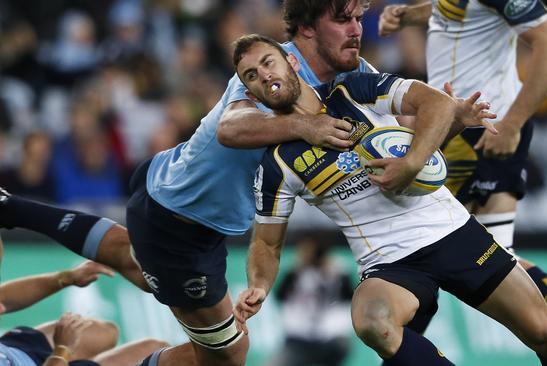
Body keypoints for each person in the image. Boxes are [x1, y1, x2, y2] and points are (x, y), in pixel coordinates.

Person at [0, 1, 384, 365]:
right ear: (307, 29)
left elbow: (402, 112)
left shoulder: (352, 74)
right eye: (343, 21)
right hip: (183, 224)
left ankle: (11, 207)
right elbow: (231, 128)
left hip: (177, 200)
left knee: (138, 264)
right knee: (229, 353)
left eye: (357, 18)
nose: (357, 29)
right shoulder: (269, 68)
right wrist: (305, 124)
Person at [231, 34, 547, 366]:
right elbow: (266, 241)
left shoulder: (352, 90)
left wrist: (433, 142)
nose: (264, 75)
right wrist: (259, 286)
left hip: (453, 234)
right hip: (389, 263)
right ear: (253, 94)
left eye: (268, 62)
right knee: (372, 321)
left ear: (291, 61)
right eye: (252, 75)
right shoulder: (277, 163)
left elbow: (434, 104)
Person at [377, 1, 547, 365]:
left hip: (483, 130)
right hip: (464, 127)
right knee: (486, 254)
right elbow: (459, 9)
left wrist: (511, 123)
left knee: (420, 248)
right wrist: (411, 14)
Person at [0, 242, 168, 366]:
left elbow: (3, 299)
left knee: (105, 331)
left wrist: (67, 277)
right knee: (156, 351)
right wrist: (63, 349)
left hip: (12, 350)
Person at [266, 235, 354, 366]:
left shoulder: (337, 270)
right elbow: (280, 295)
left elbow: (350, 296)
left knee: (341, 345)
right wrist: (297, 269)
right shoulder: (296, 272)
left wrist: (331, 274)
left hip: (330, 337)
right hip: (299, 336)